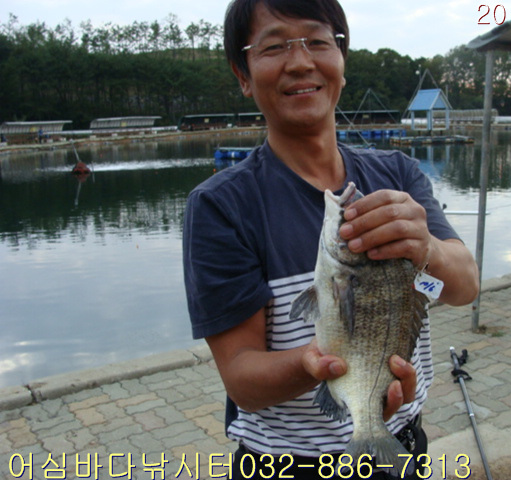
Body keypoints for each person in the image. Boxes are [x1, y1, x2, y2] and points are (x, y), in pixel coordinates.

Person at [182, 0, 480, 478]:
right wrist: (313, 364)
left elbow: (461, 288)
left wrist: (426, 250)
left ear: (341, 59)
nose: (300, 62)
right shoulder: (222, 206)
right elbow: (242, 381)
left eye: (318, 41)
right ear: (243, 74)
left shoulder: (399, 173)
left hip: (402, 446)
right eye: (274, 46)